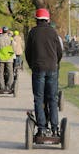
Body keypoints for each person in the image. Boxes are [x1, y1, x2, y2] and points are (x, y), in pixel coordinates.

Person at [25, 8, 63, 137]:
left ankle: (41, 128)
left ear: (36, 19)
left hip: (38, 68)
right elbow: (59, 52)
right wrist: (55, 63)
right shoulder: (53, 32)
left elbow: (28, 52)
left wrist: (32, 65)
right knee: (52, 99)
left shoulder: (32, 33)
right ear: (48, 19)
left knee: (39, 99)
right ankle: (55, 128)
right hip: (52, 68)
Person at [0, 26, 15, 93]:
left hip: (1, 58)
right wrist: (11, 54)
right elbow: (13, 48)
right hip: (9, 58)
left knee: (0, 72)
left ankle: (2, 87)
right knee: (10, 72)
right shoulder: (11, 39)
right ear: (7, 31)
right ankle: (8, 86)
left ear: (2, 31)